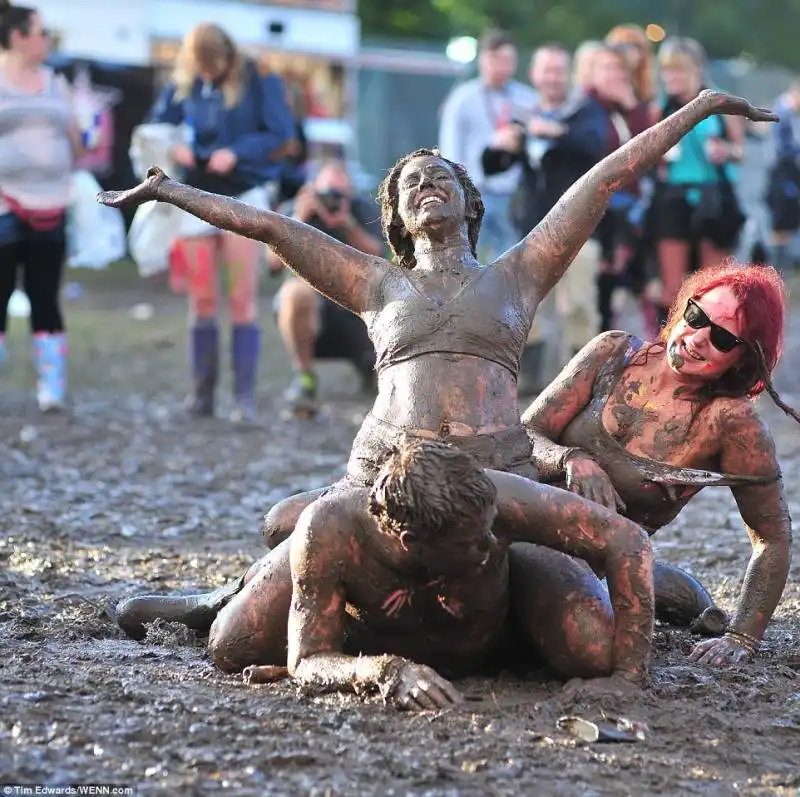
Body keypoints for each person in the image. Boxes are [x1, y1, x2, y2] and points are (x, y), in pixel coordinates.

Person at [98, 88, 776, 689]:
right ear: (395, 216)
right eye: (411, 182)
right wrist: (171, 191)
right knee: (263, 576)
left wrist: (697, 109)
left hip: (496, 482)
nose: (426, 183)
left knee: (590, 638)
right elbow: (271, 226)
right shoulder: (374, 280)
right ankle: (217, 599)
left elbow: (604, 180)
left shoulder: (519, 273)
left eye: (441, 175)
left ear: (469, 201)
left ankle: (534, 618)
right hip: (383, 479)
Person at [522, 262, 796, 665]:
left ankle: (661, 591)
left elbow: (773, 537)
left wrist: (741, 638)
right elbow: (524, 435)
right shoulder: (612, 352)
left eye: (721, 337)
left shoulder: (729, 423)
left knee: (583, 651)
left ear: (741, 359)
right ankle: (671, 591)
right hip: (523, 523)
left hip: (593, 566)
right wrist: (571, 457)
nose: (697, 338)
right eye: (696, 316)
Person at [148, 22, 295, 422]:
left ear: (226, 57)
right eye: (201, 66)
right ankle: (202, 394)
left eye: (213, 65)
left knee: (241, 298)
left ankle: (243, 398)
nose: (207, 73)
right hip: (195, 193)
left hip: (243, 193)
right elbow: (157, 125)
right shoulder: (185, 80)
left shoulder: (257, 77)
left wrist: (237, 151)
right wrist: (173, 144)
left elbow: (281, 133)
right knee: (202, 298)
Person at [482, 43, 607, 367]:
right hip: (534, 228)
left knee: (579, 305)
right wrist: (498, 147)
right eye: (546, 70)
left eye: (558, 71)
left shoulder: (585, 110)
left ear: (568, 75)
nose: (552, 78)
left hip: (580, 227)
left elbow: (596, 146)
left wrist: (557, 132)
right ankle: (527, 381)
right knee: (527, 306)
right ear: (535, 74)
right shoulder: (524, 113)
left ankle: (586, 380)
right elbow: (495, 166)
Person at [0, 0, 86, 410]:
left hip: (52, 205)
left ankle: (51, 389)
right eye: (41, 32)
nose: (47, 40)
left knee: (45, 294)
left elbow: (75, 140)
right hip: (3, 205)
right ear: (17, 36)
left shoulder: (56, 82)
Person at [267, 159, 385, 410]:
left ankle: (373, 369)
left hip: (357, 310)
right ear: (313, 189)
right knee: (294, 294)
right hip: (311, 308)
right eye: (326, 193)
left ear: (349, 192)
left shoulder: (360, 209)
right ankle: (304, 375)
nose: (330, 200)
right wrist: (299, 218)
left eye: (338, 194)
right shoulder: (295, 209)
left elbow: (380, 257)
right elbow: (272, 266)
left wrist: (347, 224)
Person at [651, 38, 747, 327]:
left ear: (697, 70)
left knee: (713, 287)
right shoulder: (662, 108)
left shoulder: (720, 104)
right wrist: (661, 157)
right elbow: (647, 157)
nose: (671, 77)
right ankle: (669, 349)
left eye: (678, 70)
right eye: (667, 71)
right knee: (672, 289)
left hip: (713, 196)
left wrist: (725, 151)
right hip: (674, 197)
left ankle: (712, 346)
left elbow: (740, 151)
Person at [438, 28, 537, 263]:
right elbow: (450, 148)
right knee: (467, 260)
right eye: (496, 58)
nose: (501, 66)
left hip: (513, 194)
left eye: (507, 60)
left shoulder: (526, 99)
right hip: (473, 193)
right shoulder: (462, 98)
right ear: (483, 59)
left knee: (510, 262)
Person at [765, 80, 800, 274]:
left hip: (786, 175)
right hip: (781, 175)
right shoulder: (783, 112)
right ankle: (777, 271)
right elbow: (783, 148)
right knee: (780, 227)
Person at [605, 24, 656, 105]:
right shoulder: (606, 85)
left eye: (638, 47)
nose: (632, 51)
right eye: (625, 46)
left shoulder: (645, 87)